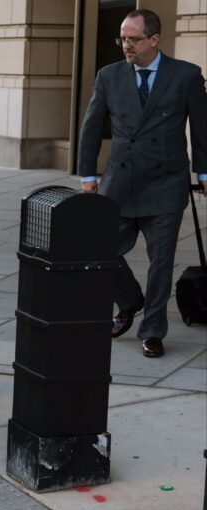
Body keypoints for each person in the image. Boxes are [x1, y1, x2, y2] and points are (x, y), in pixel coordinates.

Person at [78, 9, 207, 358]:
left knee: (160, 263)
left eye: (133, 38)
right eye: (122, 38)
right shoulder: (109, 76)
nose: (126, 45)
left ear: (154, 39)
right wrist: (88, 177)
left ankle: (152, 331)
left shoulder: (186, 76)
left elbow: (201, 129)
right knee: (99, 247)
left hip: (166, 183)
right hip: (119, 181)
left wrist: (204, 173)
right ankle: (130, 300)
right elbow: (91, 128)